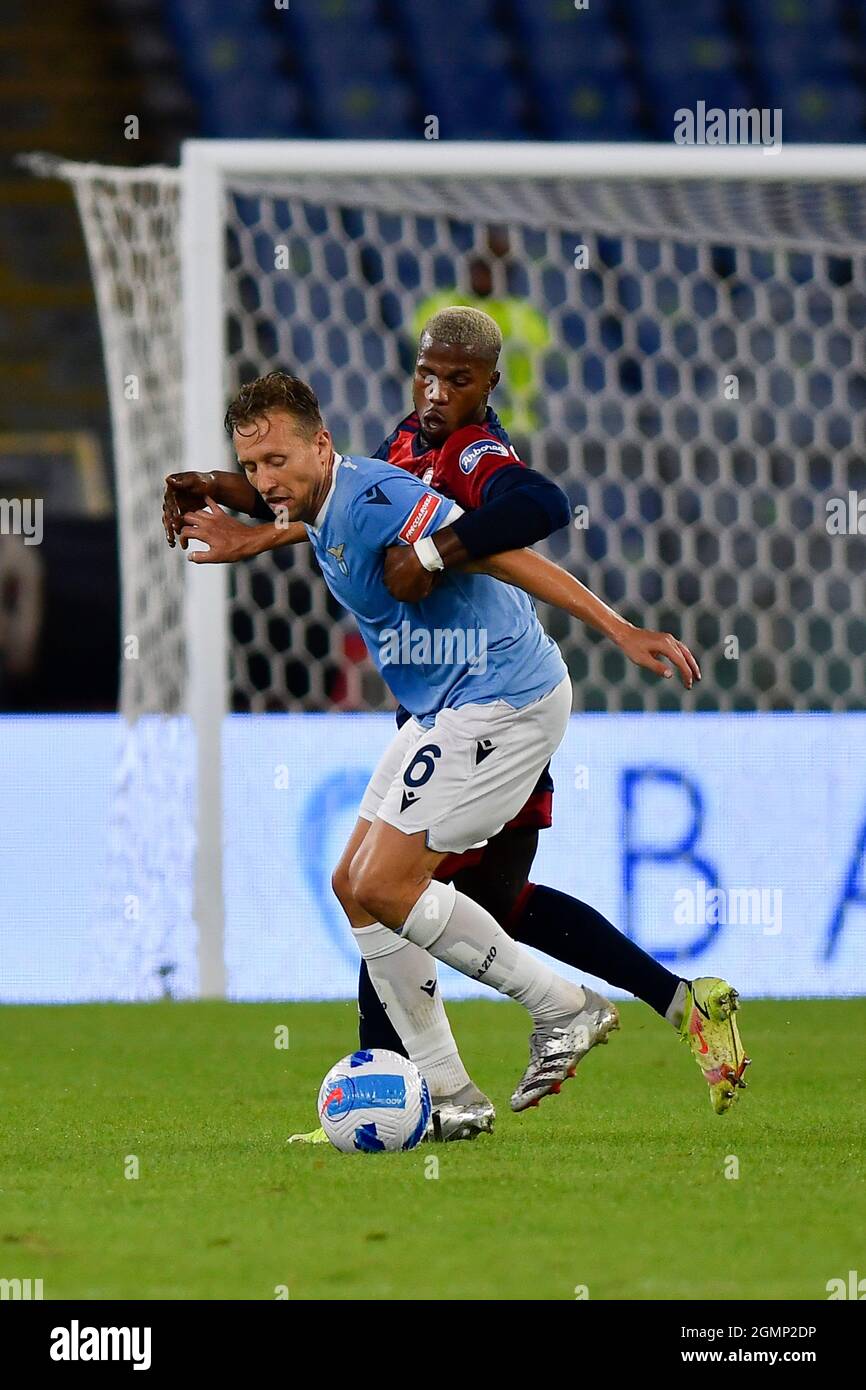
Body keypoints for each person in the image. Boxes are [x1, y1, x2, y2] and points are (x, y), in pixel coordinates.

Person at [164, 311, 749, 1138]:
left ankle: (522, 1032)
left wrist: (617, 627)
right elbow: (327, 510)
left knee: (396, 887)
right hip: (451, 704)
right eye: (425, 375)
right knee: (423, 892)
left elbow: (520, 528)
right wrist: (247, 519)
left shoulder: (472, 456)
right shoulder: (396, 450)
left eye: (457, 379)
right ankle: (467, 1083)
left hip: (499, 697)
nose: (436, 393)